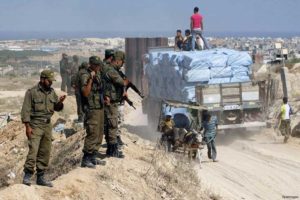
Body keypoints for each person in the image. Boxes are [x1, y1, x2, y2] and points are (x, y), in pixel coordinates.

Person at [21, 70, 66, 187]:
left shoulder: (52, 92)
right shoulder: (31, 92)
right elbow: (25, 110)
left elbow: (57, 108)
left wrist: (60, 103)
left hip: (47, 125)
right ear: (42, 79)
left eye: (51, 81)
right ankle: (27, 175)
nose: (51, 83)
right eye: (49, 80)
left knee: (45, 151)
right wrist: (27, 127)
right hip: (35, 125)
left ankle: (41, 177)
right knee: (33, 151)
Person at [80, 56, 106, 168]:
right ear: (92, 65)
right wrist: (91, 79)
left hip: (99, 106)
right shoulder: (85, 75)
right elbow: (85, 93)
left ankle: (93, 156)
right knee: (92, 132)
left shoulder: (98, 73)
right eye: (97, 65)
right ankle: (86, 159)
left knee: (99, 132)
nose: (99, 67)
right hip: (91, 108)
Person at [102, 50, 129, 158]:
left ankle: (111, 149)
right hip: (110, 102)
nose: (122, 65)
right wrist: (125, 81)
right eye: (122, 62)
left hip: (109, 101)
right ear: (118, 61)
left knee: (110, 125)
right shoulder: (111, 70)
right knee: (112, 125)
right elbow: (122, 82)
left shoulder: (108, 68)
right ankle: (113, 150)